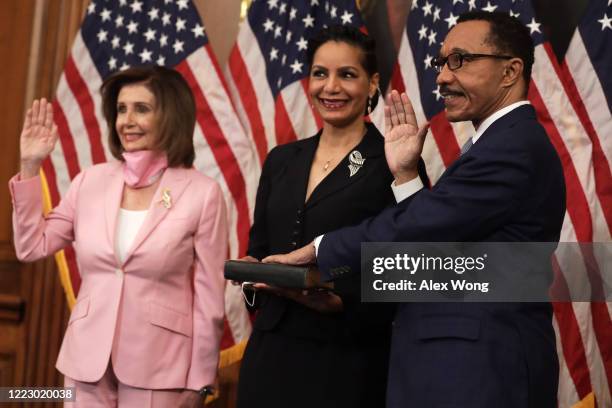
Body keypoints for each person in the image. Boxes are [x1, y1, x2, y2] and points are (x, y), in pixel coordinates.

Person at [265, 12, 566, 408]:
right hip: (454, 368)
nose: (441, 76)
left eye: (459, 60)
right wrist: (406, 173)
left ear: (510, 71)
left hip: (480, 371)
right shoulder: (497, 142)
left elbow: (424, 226)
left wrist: (322, 250)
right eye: (441, 62)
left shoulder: (513, 147)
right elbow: (440, 246)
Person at [10, 66, 227, 407]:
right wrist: (30, 167)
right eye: (121, 109)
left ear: (171, 115)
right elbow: (30, 245)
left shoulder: (203, 193)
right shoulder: (89, 181)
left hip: (161, 367)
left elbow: (210, 298)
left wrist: (200, 380)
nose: (127, 120)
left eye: (142, 109)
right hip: (86, 363)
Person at [235, 26, 427, 408]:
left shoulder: (396, 161)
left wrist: (341, 302)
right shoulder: (281, 160)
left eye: (347, 74)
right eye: (320, 73)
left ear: (372, 83)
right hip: (270, 354)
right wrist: (250, 275)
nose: (331, 87)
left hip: (347, 358)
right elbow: (258, 248)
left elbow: (413, 265)